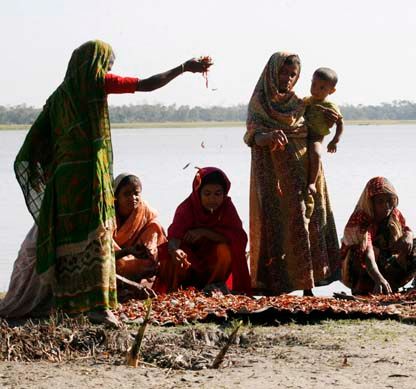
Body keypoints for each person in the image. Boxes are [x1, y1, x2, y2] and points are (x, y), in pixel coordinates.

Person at [12, 39, 211, 326]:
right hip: (89, 178)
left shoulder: (57, 98)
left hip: (63, 184)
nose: (106, 69)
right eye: (106, 64)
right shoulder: (96, 83)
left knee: (70, 242)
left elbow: (36, 142)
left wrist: (50, 168)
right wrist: (184, 68)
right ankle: (98, 308)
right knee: (97, 239)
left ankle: (69, 305)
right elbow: (147, 84)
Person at [244, 52, 342, 295]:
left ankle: (308, 286)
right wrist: (266, 137)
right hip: (272, 176)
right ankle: (276, 284)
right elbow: (252, 135)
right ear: (271, 72)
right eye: (283, 73)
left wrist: (331, 122)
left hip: (303, 173)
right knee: (277, 224)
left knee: (304, 221)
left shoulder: (300, 103)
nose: (287, 78)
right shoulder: (259, 102)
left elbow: (315, 131)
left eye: (292, 74)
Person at [153, 167, 251, 295]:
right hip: (189, 262)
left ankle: (213, 287)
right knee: (167, 253)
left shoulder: (227, 208)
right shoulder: (186, 208)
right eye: (207, 194)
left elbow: (237, 238)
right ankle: (176, 290)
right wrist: (175, 250)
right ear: (198, 193)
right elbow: (174, 236)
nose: (212, 199)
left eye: (218, 194)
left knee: (225, 250)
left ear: (224, 194)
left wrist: (205, 232)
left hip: (213, 263)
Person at [340, 177, 416, 295]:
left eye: (389, 200)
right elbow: (368, 253)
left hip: (386, 261)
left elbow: (406, 229)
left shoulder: (394, 214)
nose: (386, 206)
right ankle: (368, 286)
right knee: (358, 252)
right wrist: (379, 278)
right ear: (371, 203)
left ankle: (391, 283)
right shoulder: (362, 219)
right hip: (363, 266)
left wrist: (408, 236)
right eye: (380, 202)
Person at [113, 173, 167, 288]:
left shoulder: (144, 209)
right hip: (116, 258)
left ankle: (146, 271)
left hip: (139, 257)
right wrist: (128, 251)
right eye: (127, 194)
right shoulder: (109, 215)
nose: (133, 198)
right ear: (117, 196)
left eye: (136, 193)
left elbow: (156, 229)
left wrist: (146, 248)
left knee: (155, 226)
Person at [304, 67, 344, 194]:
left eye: (322, 88)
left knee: (315, 154)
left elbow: (340, 123)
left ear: (331, 91)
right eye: (314, 84)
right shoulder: (306, 101)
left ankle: (311, 182)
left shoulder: (330, 106)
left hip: (315, 137)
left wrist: (335, 141)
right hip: (302, 135)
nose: (316, 90)